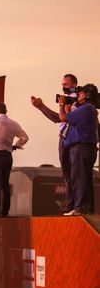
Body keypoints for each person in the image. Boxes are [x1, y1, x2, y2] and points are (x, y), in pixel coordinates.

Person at [30, 73, 78, 213]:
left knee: (71, 175)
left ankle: (73, 206)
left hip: (70, 140)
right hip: (64, 140)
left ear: (74, 85)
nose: (63, 88)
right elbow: (59, 119)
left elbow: (60, 118)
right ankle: (72, 205)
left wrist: (43, 107)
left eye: (66, 85)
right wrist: (41, 107)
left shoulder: (76, 102)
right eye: (62, 85)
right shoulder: (68, 100)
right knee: (67, 175)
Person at [58, 83, 99, 215]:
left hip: (81, 148)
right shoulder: (90, 110)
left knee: (78, 178)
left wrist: (61, 105)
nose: (78, 96)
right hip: (87, 148)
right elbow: (72, 120)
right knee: (85, 179)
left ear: (86, 95)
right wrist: (69, 108)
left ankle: (80, 208)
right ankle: (86, 208)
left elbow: (63, 118)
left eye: (80, 93)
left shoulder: (86, 108)